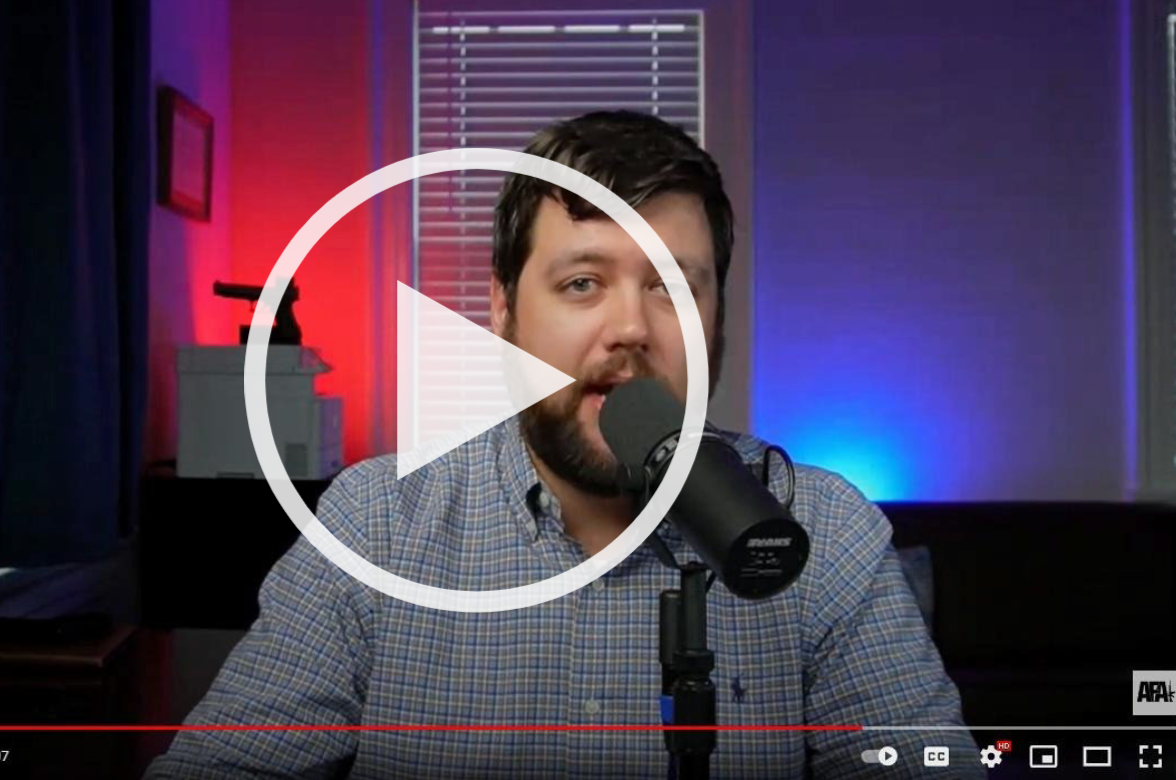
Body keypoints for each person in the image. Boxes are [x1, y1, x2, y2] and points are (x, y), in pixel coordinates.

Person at [146, 111, 980, 779]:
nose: (631, 328)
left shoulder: (825, 534)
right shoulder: (377, 525)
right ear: (504, 311)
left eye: (673, 287)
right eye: (583, 284)